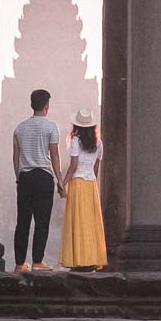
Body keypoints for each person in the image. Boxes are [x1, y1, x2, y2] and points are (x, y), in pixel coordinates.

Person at [12, 88, 63, 272]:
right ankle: (37, 261)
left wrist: (19, 178)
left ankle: (19, 263)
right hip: (43, 176)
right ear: (47, 106)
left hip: (25, 177)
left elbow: (15, 157)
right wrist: (60, 180)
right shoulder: (51, 127)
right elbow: (55, 156)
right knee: (42, 220)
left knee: (23, 221)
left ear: (31, 104)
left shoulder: (20, 128)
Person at [59, 107, 107, 271]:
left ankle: (78, 259)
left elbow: (73, 167)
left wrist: (62, 183)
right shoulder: (98, 143)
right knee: (90, 223)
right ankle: (91, 259)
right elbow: (96, 169)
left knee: (78, 222)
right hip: (91, 184)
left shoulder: (75, 141)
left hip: (78, 183)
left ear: (77, 126)